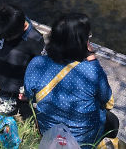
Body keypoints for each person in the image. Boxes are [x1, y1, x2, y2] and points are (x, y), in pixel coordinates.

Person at [24, 13, 118, 146]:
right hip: (82, 142)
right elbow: (108, 102)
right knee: (113, 120)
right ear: (82, 43)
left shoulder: (37, 64)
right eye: (88, 36)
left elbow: (28, 95)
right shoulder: (92, 71)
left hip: (48, 135)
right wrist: (94, 61)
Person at [0, 3, 44, 114]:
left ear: (20, 30)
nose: (2, 38)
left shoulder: (35, 40)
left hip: (18, 90)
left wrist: (30, 91)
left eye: (6, 37)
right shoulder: (4, 25)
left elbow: (41, 69)